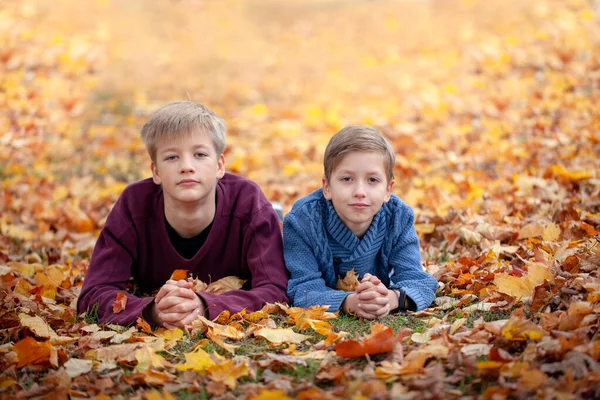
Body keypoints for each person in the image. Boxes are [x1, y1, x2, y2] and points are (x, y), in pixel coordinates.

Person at [77, 101, 289, 329]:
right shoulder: (133, 205)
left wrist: (205, 306)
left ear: (219, 166)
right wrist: (152, 311)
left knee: (274, 226)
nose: (187, 166)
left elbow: (276, 289)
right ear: (155, 171)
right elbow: (94, 293)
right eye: (171, 157)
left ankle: (275, 215)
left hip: (248, 221)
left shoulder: (249, 202)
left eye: (199, 154)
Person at [283, 125, 437, 319]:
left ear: (388, 190)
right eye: (347, 179)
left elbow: (418, 280)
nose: (360, 191)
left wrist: (391, 299)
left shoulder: (398, 217)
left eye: (372, 180)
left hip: (379, 294)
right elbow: (302, 289)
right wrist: (349, 302)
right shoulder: (302, 221)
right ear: (327, 187)